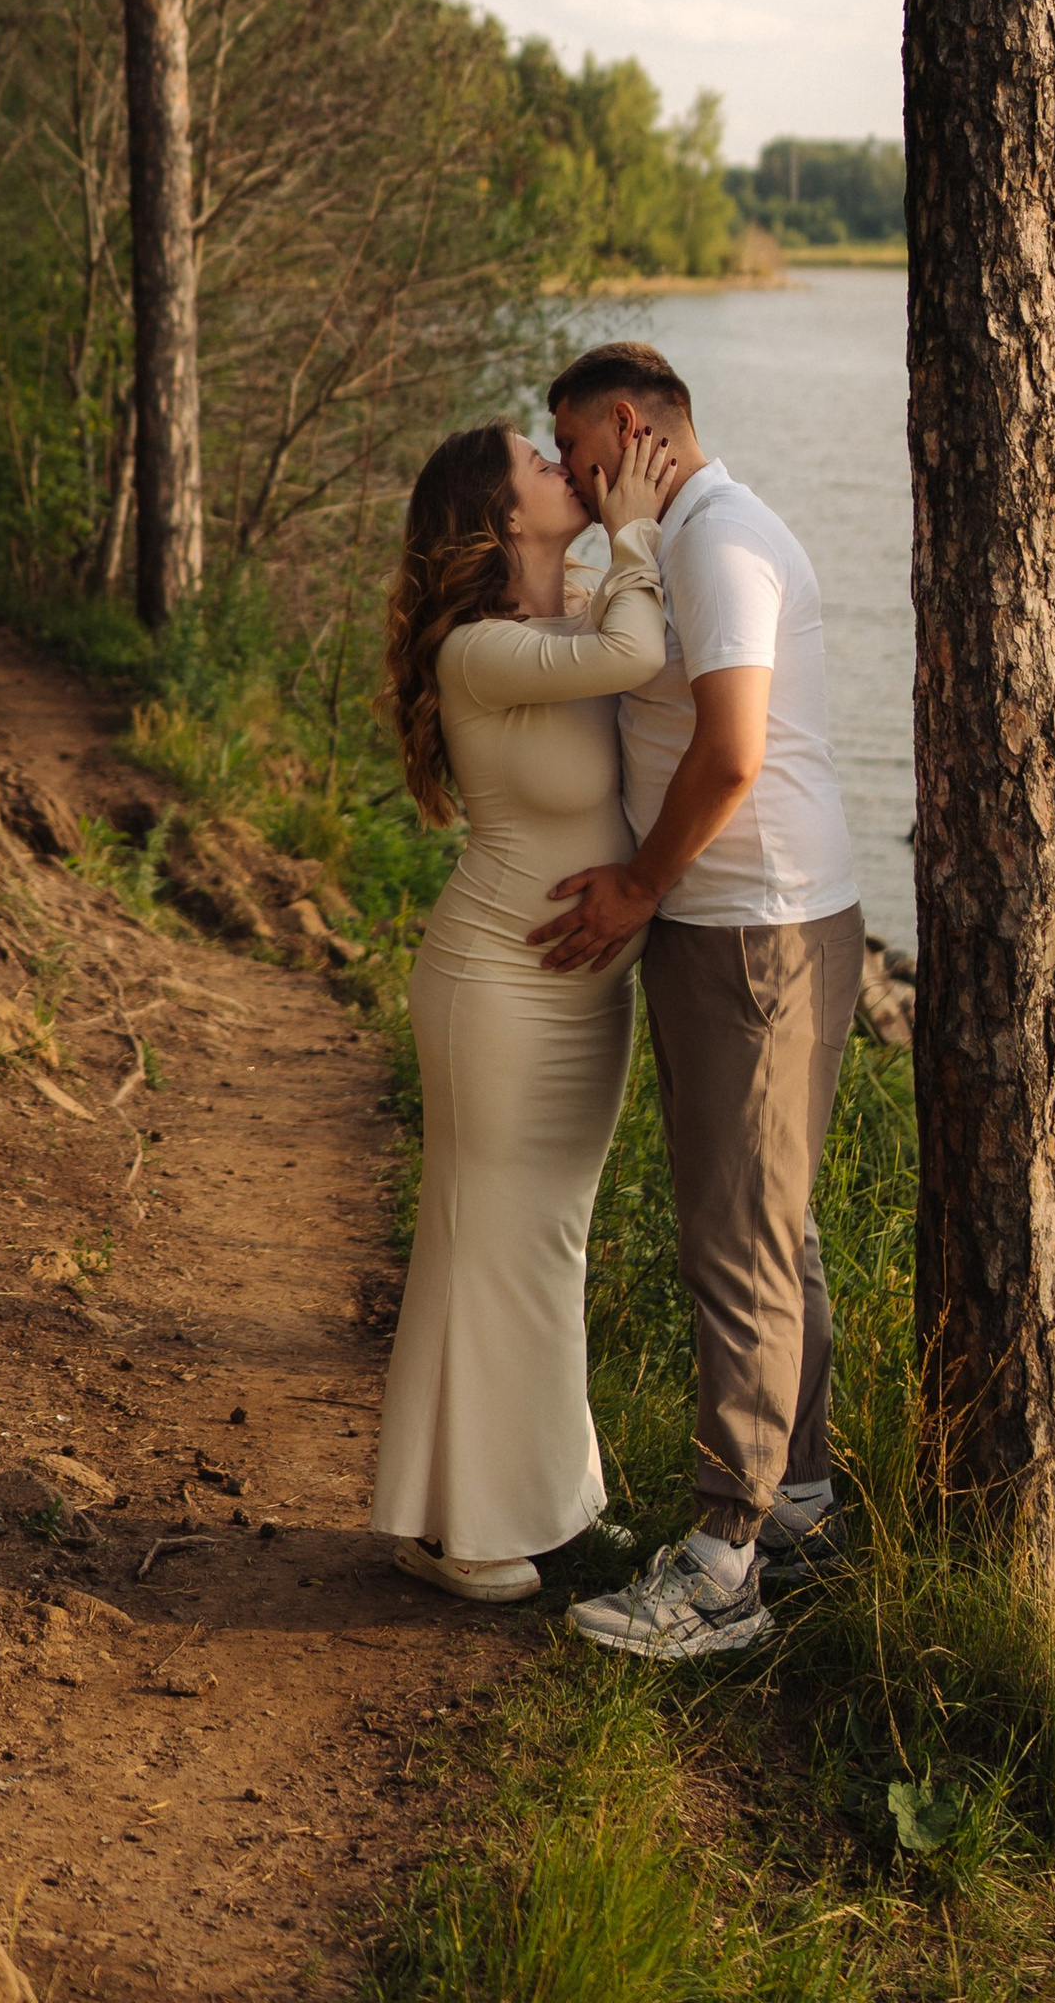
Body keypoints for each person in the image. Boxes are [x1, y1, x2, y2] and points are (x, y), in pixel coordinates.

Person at [535, 340, 863, 1662]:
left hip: (754, 927)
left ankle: (724, 1569)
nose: (567, 476)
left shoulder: (720, 540)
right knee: (770, 1226)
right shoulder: (669, 538)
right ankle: (799, 1501)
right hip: (736, 925)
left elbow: (730, 753)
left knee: (739, 1242)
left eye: (575, 452)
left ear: (627, 426)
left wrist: (634, 887)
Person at [369, 415, 682, 1603]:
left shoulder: (563, 612)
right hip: (496, 988)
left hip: (570, 994)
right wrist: (639, 529)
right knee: (510, 1246)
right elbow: (631, 656)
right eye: (540, 464)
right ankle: (497, 1532)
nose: (567, 469)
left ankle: (481, 1511)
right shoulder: (476, 650)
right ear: (502, 518)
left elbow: (632, 640)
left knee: (521, 1243)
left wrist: (629, 546)